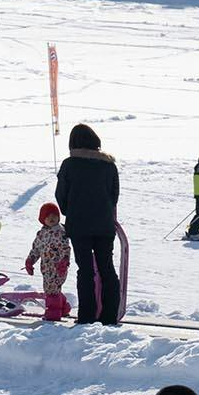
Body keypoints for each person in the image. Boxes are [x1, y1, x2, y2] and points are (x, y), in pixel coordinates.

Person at [53, 123, 121, 325]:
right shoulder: (109, 165)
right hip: (104, 224)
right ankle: (110, 315)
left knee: (85, 270)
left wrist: (70, 210)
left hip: (79, 224)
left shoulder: (69, 164)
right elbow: (114, 195)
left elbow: (61, 195)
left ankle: (87, 316)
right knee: (106, 268)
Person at [25, 202, 71, 322]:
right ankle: (64, 307)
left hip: (58, 268)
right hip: (46, 268)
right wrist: (30, 261)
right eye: (48, 216)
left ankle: (53, 314)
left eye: (54, 216)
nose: (52, 219)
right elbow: (36, 249)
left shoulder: (60, 232)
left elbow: (65, 248)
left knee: (51, 290)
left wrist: (64, 262)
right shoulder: (42, 234)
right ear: (42, 219)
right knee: (52, 289)